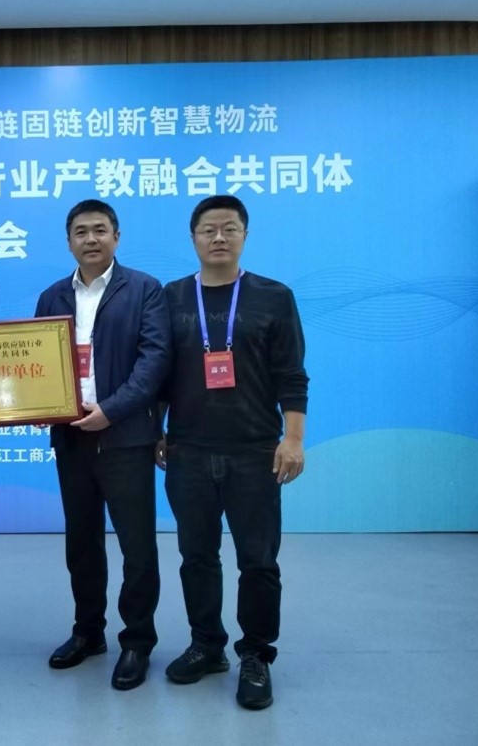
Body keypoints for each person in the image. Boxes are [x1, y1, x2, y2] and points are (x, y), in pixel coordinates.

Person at [157, 194, 309, 710]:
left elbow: (292, 374)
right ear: (193, 238)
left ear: (245, 235)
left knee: (258, 562)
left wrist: (293, 438)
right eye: (208, 229)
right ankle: (207, 645)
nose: (219, 237)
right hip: (188, 451)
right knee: (196, 557)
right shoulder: (172, 297)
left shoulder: (274, 296)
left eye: (229, 228)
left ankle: (257, 655)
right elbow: (161, 374)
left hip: (254, 452)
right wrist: (157, 429)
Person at [33, 199, 171, 690]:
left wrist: (110, 410)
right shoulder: (52, 296)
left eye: (99, 230)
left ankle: (137, 641)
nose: (90, 239)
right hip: (72, 439)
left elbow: (154, 362)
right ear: (69, 241)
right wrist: (38, 404)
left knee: (137, 546)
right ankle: (88, 631)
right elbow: (37, 364)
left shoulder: (145, 289)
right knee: (82, 542)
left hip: (126, 437)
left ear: (116, 236)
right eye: (80, 232)